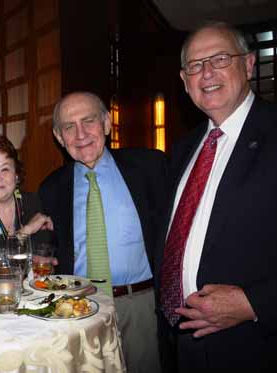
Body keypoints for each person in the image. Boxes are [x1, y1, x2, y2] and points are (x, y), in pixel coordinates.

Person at [154, 22, 277, 373]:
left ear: (249, 64)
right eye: (195, 65)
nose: (206, 72)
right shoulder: (182, 149)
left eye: (220, 58)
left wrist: (254, 304)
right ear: (184, 79)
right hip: (180, 345)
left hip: (254, 347)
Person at [39, 91, 166, 373]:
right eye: (69, 127)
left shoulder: (151, 167)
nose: (80, 133)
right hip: (78, 306)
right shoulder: (51, 188)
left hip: (140, 306)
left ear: (107, 123)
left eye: (89, 121)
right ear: (59, 137)